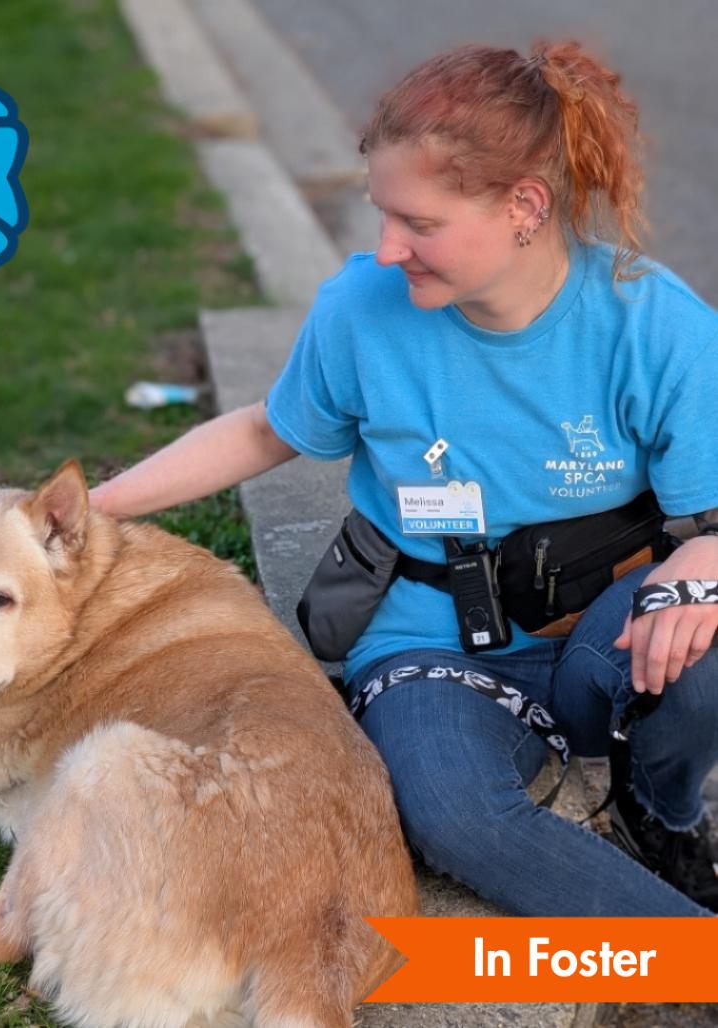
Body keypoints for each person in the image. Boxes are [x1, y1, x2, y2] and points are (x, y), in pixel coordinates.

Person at [89, 40, 718, 916]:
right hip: (427, 642)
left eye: (418, 224)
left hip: (598, 635)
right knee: (454, 818)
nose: (387, 249)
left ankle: (662, 812)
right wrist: (93, 508)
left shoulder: (655, 325)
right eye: (382, 215)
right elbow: (268, 428)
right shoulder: (361, 311)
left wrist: (704, 564)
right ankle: (692, 955)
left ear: (524, 207)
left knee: (703, 637)